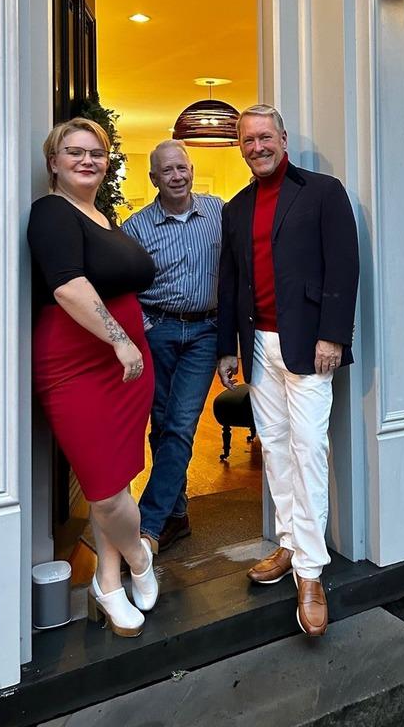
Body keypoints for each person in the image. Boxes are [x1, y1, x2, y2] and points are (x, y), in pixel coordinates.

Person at [216, 105, 359, 637]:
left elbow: (344, 265)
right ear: (240, 147)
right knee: (273, 447)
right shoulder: (236, 208)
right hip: (258, 345)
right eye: (247, 140)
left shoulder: (323, 191)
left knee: (308, 451)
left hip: (308, 344)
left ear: (282, 138)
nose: (257, 146)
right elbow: (230, 284)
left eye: (264, 136)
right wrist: (228, 348)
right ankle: (287, 542)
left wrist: (334, 334)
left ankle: (311, 573)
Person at [28, 118, 159, 638]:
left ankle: (107, 580)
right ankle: (141, 557)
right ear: (53, 163)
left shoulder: (103, 217)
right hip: (79, 364)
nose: (88, 160)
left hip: (126, 367)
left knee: (118, 475)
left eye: (97, 153)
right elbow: (68, 288)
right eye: (74, 151)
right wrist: (119, 338)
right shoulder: (51, 213)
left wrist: (129, 343)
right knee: (104, 491)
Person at [122, 140, 223, 553]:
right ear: (154, 179)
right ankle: (176, 516)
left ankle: (148, 524)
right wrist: (145, 326)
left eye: (182, 167)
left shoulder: (218, 212)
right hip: (158, 332)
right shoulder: (135, 228)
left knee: (181, 423)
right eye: (168, 171)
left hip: (205, 332)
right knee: (161, 426)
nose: (177, 176)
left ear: (192, 170)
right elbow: (124, 288)